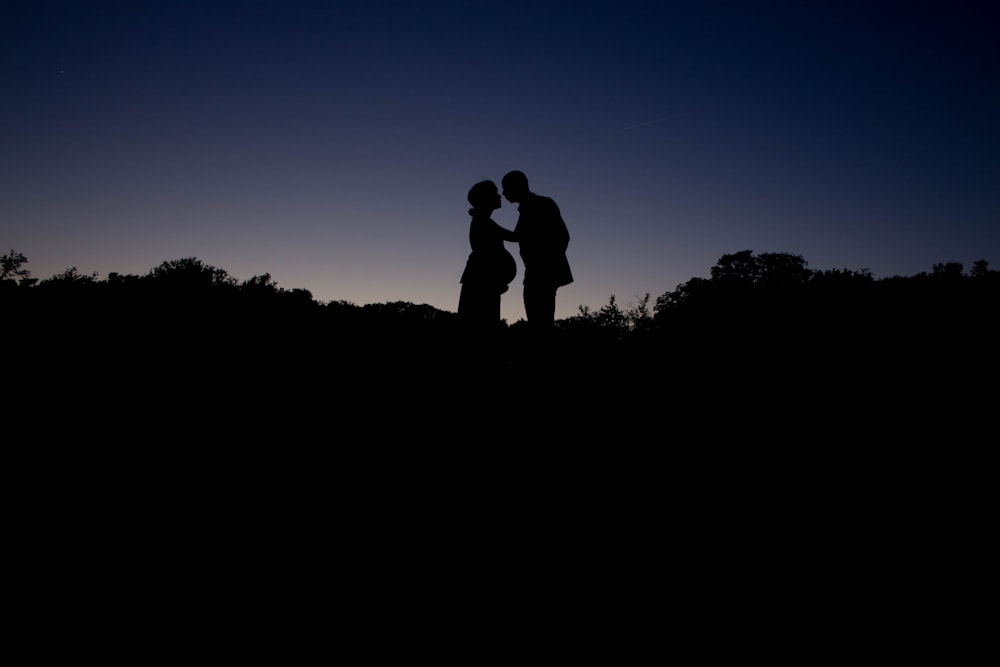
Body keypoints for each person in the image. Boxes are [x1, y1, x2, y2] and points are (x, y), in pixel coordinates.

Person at [501, 170, 573, 329]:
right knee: (539, 322)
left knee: (541, 323)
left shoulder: (542, 204)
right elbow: (518, 236)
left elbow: (563, 236)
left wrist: (546, 265)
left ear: (517, 186)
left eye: (506, 188)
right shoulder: (530, 206)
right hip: (536, 272)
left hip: (542, 274)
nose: (504, 193)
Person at [458, 180, 518, 339]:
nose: (499, 196)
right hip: (482, 283)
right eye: (495, 193)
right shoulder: (484, 223)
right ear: (485, 199)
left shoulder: (484, 221)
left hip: (485, 282)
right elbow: (515, 237)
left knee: (483, 326)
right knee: (482, 329)